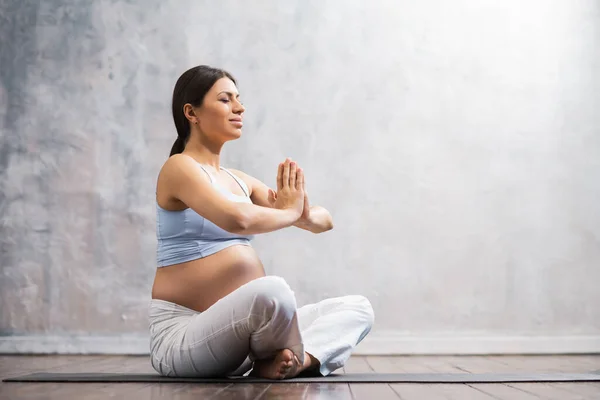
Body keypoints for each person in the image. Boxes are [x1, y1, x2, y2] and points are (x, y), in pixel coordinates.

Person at [148, 65, 374, 379]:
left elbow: (324, 221)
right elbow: (237, 219)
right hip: (184, 339)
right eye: (226, 100)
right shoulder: (179, 168)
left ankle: (296, 360)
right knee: (273, 291)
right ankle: (282, 355)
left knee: (358, 308)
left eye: (238, 100)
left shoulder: (238, 180)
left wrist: (302, 213)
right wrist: (289, 213)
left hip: (245, 342)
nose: (239, 108)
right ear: (192, 112)